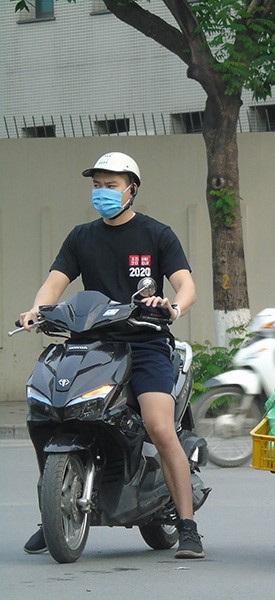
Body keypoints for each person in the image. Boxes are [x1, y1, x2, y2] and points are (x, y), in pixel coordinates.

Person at [20, 151, 204, 559]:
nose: (102, 192)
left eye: (111, 185)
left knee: (158, 425)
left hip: (145, 342)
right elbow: (54, 283)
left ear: (131, 189)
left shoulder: (157, 234)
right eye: (97, 185)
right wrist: (37, 309)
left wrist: (174, 305)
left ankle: (188, 526)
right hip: (93, 344)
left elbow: (185, 284)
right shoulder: (81, 237)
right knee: (49, 413)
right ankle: (53, 510)